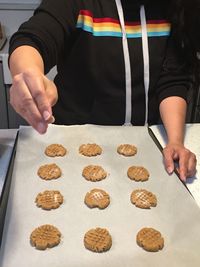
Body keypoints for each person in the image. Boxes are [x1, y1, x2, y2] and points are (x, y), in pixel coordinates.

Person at [8, 0, 196, 181]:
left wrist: (175, 141)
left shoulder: (170, 6)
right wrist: (28, 74)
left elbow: (172, 80)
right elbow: (33, 38)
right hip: (73, 144)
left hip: (145, 146)